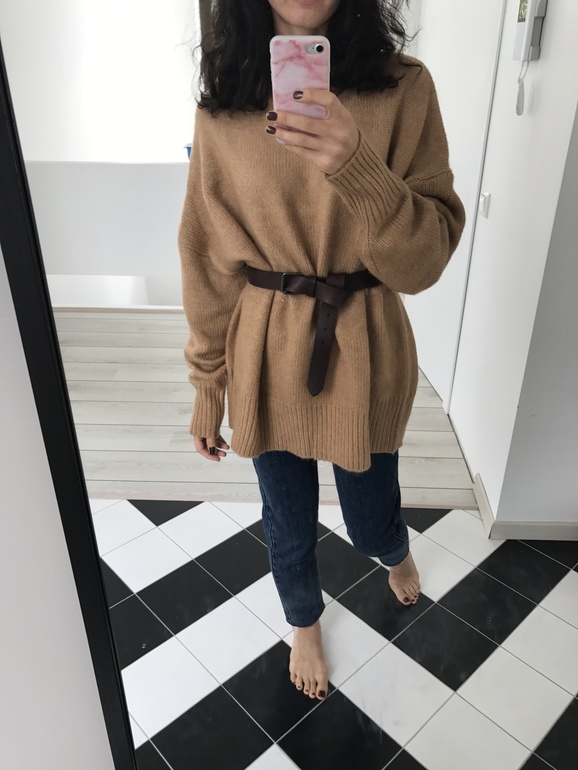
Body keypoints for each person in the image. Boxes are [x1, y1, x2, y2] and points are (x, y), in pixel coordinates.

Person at [178, 0, 466, 704]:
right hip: (266, 348)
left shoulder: (404, 88)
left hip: (366, 342)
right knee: (287, 518)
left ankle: (391, 548)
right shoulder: (224, 105)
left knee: (369, 511)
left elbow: (424, 261)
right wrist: (208, 381)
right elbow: (207, 256)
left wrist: (358, 167)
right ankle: (303, 621)